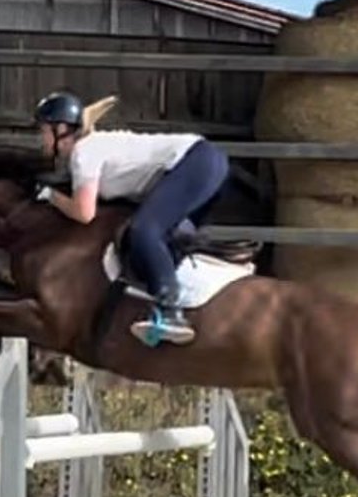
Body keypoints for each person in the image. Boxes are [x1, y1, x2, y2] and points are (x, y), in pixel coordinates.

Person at [31, 90, 230, 347]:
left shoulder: (83, 153)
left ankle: (171, 313)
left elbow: (84, 213)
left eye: (43, 131)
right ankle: (186, 306)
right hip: (211, 164)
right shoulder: (92, 147)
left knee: (144, 231)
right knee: (166, 243)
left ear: (61, 130)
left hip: (195, 162)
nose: (41, 139)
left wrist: (49, 196)